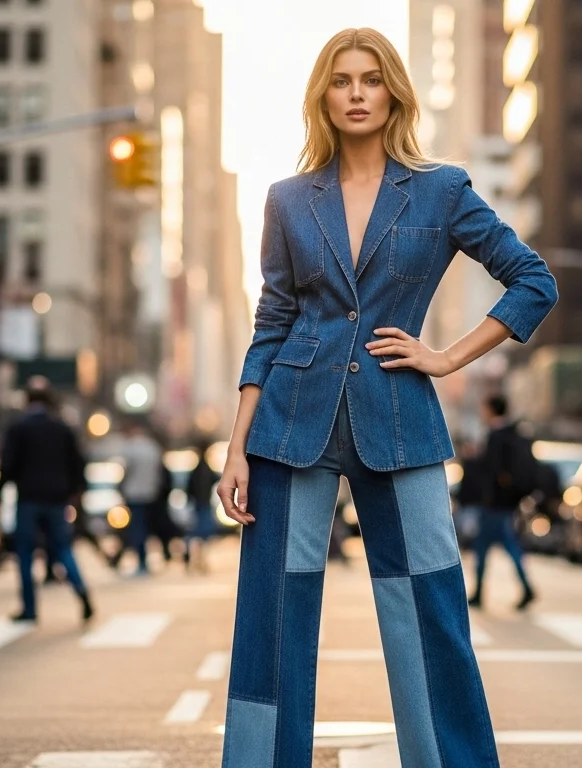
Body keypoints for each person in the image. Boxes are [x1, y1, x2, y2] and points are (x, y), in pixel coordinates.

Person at [213, 28, 557, 767]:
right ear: (323, 96)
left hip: (400, 421)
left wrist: (444, 358)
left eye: (371, 79)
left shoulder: (440, 190)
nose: (358, 93)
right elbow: (271, 323)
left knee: (429, 612)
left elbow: (535, 281)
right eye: (342, 81)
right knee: (273, 615)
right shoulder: (287, 199)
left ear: (393, 92)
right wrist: (236, 445)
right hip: (288, 422)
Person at [0, 385, 94, 624]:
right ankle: (81, 591)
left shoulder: (18, 428)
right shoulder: (62, 429)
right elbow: (78, 465)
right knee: (63, 549)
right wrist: (76, 493)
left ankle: (29, 607)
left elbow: (7, 465)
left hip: (29, 498)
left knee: (26, 553)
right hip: (56, 500)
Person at [469, 394, 538, 611]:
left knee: (487, 547)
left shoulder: (497, 435)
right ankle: (485, 591)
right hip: (504, 505)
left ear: (491, 409)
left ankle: (483, 591)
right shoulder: (511, 433)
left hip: (494, 505)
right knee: (504, 546)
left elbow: (492, 472)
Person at [113, 422, 163, 576]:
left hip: (134, 494)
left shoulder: (130, 448)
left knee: (137, 529)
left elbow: (126, 471)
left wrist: (121, 487)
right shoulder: (152, 448)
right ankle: (144, 561)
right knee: (145, 528)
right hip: (150, 493)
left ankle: (141, 562)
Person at [184, 439, 219, 573]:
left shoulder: (198, 468)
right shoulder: (203, 468)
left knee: (199, 533)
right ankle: (198, 559)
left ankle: (197, 559)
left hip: (199, 504)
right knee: (201, 533)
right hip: (202, 504)